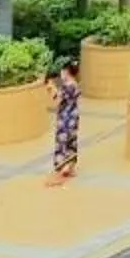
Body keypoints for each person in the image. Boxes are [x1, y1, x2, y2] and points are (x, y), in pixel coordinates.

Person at [45, 57, 81, 185]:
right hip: (74, 117)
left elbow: (58, 100)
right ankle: (71, 167)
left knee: (62, 142)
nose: (61, 73)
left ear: (66, 71)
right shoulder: (75, 84)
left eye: (62, 71)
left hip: (65, 118)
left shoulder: (67, 86)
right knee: (72, 141)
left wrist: (51, 89)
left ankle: (63, 169)